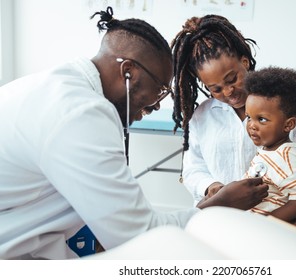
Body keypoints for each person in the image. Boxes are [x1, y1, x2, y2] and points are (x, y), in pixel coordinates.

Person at [0, 7, 267, 259]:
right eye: (161, 88)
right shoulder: (81, 113)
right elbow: (139, 235)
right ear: (128, 72)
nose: (156, 105)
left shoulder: (59, 87)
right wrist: (220, 205)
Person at [171, 14, 296, 225]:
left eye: (232, 79)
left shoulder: (284, 106)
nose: (229, 92)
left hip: (276, 223)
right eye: (216, 89)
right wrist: (214, 188)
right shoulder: (202, 117)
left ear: (244, 62)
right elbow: (193, 168)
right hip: (220, 220)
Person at [243, 67, 296, 223]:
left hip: (264, 231)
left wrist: (271, 221)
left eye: (262, 119)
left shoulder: (286, 158)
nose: (252, 125)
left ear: (288, 125)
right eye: (249, 117)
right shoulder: (268, 149)